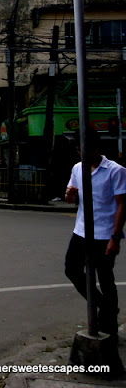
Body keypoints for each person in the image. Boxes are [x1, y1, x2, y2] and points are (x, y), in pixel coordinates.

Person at [64, 129, 126, 338]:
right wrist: (70, 196)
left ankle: (109, 326)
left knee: (105, 277)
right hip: (81, 231)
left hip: (104, 234)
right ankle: (106, 308)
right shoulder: (77, 169)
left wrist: (115, 238)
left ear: (97, 149)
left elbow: (122, 206)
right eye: (78, 150)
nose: (81, 154)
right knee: (72, 269)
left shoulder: (115, 171)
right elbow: (72, 199)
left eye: (85, 150)